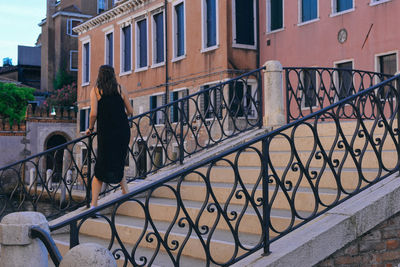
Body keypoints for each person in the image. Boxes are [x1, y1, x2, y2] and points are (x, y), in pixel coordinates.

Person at [86, 65, 133, 209]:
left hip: (106, 131)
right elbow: (130, 111)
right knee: (118, 159)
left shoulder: (95, 91)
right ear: (113, 75)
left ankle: (94, 203)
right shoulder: (120, 88)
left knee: (102, 164)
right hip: (122, 130)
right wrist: (118, 117)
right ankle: (125, 191)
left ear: (99, 76)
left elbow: (93, 113)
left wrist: (90, 128)